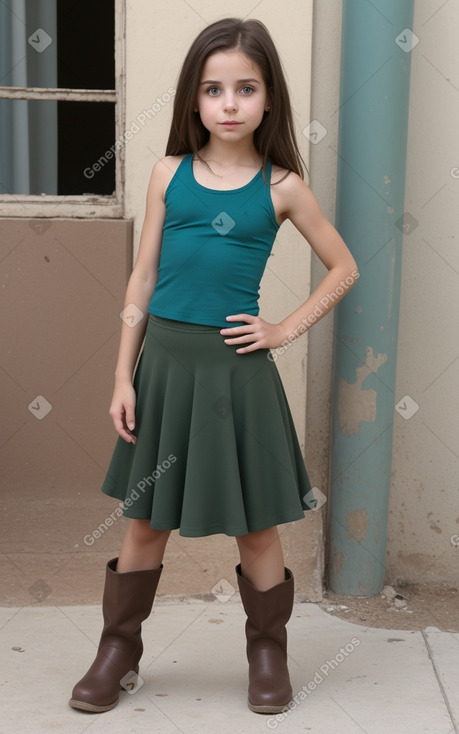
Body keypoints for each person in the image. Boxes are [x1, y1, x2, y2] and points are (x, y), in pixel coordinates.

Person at [69, 17, 359, 716]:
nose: (228, 103)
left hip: (236, 380)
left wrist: (284, 327)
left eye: (245, 88)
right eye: (212, 89)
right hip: (163, 369)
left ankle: (266, 652)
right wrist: (120, 376)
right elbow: (141, 281)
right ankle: (118, 650)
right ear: (193, 100)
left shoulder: (284, 185)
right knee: (145, 521)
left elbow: (343, 267)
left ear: (268, 99)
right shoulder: (167, 173)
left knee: (257, 524)